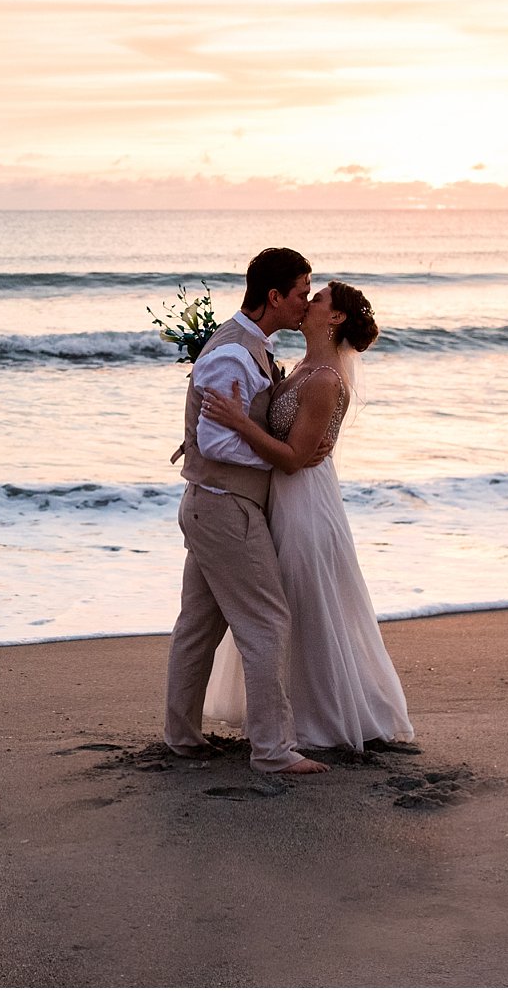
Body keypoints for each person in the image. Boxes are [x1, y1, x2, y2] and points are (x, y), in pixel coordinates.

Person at [200, 281, 416, 753]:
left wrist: (238, 423)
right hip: (283, 499)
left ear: (335, 318)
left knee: (305, 605)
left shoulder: (323, 379)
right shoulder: (303, 368)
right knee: (291, 606)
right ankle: (288, 712)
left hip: (305, 504)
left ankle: (321, 719)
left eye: (317, 300)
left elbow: (295, 457)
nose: (307, 303)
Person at [163, 247, 331, 787]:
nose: (305, 302)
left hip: (211, 505)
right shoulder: (233, 355)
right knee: (267, 623)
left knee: (199, 625)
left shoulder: (252, 348)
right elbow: (213, 440)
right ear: (274, 297)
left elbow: (217, 432)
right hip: (226, 508)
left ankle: (182, 736)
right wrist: (283, 454)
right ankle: (273, 750)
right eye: (301, 292)